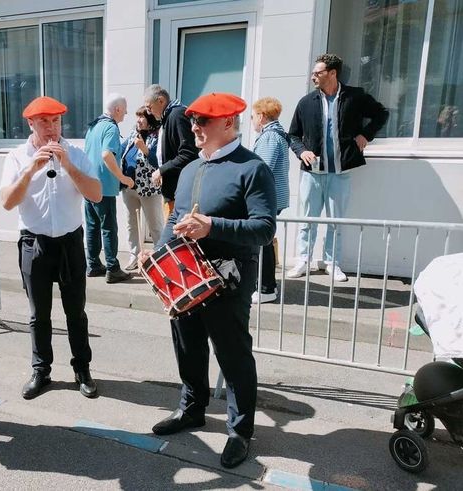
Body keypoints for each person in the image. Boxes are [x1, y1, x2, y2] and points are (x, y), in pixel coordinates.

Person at [140, 93, 276, 469]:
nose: (194, 128)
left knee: (232, 355)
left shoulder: (252, 168)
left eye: (202, 121)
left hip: (228, 279)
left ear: (228, 123)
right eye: (193, 121)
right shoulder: (190, 168)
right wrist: (157, 253)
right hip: (186, 276)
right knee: (188, 347)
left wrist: (212, 226)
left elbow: (264, 229)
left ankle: (240, 430)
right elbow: (176, 218)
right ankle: (191, 409)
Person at [0, 96, 103, 400]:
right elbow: (7, 201)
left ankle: (82, 369)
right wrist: (31, 169)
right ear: (30, 123)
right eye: (44, 121)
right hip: (35, 243)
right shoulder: (17, 157)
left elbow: (96, 194)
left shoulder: (76, 154)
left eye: (56, 121)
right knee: (39, 314)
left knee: (76, 312)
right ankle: (41, 370)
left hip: (70, 242)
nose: (51, 128)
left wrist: (68, 165)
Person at [287, 53, 388, 281]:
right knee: (307, 220)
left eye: (318, 73)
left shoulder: (355, 97)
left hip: (340, 173)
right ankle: (303, 260)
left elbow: (381, 114)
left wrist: (366, 134)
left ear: (332, 73)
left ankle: (332, 263)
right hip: (312, 173)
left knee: (336, 221)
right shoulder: (306, 102)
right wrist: (301, 151)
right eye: (313, 72)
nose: (313, 76)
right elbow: (292, 135)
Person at [83, 93, 134, 283]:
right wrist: (123, 178)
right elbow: (106, 154)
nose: (126, 113)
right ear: (117, 109)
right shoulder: (111, 127)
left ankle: (93, 265)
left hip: (89, 184)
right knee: (109, 228)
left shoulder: (94, 126)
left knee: (92, 226)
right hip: (104, 187)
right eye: (125, 110)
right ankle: (113, 268)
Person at [250, 97, 290, 304]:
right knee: (264, 240)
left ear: (262, 116)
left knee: (262, 241)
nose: (251, 121)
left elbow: (262, 169)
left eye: (253, 116)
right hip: (272, 196)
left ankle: (266, 287)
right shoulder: (276, 135)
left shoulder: (270, 137)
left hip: (266, 197)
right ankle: (264, 286)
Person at [143, 84, 198, 220]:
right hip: (173, 190)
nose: (148, 113)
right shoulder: (169, 116)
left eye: (149, 107)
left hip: (180, 192)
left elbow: (188, 153)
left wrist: (161, 170)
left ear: (161, 100)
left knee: (175, 231)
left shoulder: (177, 115)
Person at [119, 107, 163, 271]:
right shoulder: (133, 134)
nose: (138, 121)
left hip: (149, 189)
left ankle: (160, 258)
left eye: (141, 117)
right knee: (131, 224)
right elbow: (121, 151)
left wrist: (144, 149)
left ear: (150, 120)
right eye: (137, 117)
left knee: (155, 225)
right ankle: (134, 256)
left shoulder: (157, 136)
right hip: (129, 188)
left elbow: (159, 162)